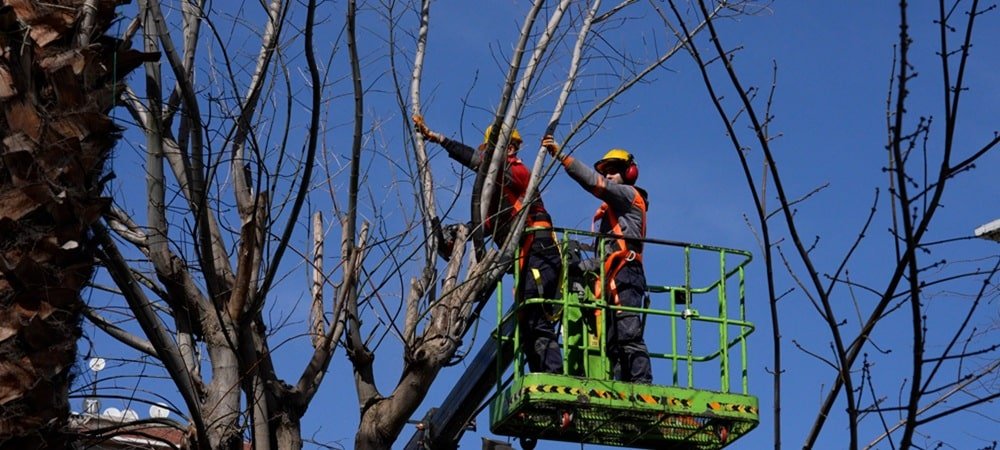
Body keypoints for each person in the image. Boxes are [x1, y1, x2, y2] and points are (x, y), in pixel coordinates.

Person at [413, 115, 563, 374]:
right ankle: (540, 374)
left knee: (534, 315)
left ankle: (553, 375)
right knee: (526, 320)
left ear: (511, 148)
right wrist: (455, 239)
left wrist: (439, 139)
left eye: (495, 150)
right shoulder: (496, 203)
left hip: (540, 251)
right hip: (525, 259)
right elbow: (484, 227)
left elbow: (482, 165)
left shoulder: (518, 172)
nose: (489, 156)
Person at [541, 135, 653, 384]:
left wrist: (562, 157)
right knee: (612, 341)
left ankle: (641, 384)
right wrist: (574, 266)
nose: (609, 176)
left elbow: (595, 183)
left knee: (628, 333)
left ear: (629, 173)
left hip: (627, 274)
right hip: (613, 275)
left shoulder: (628, 195)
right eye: (607, 172)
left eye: (614, 171)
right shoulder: (610, 214)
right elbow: (604, 258)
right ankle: (621, 384)